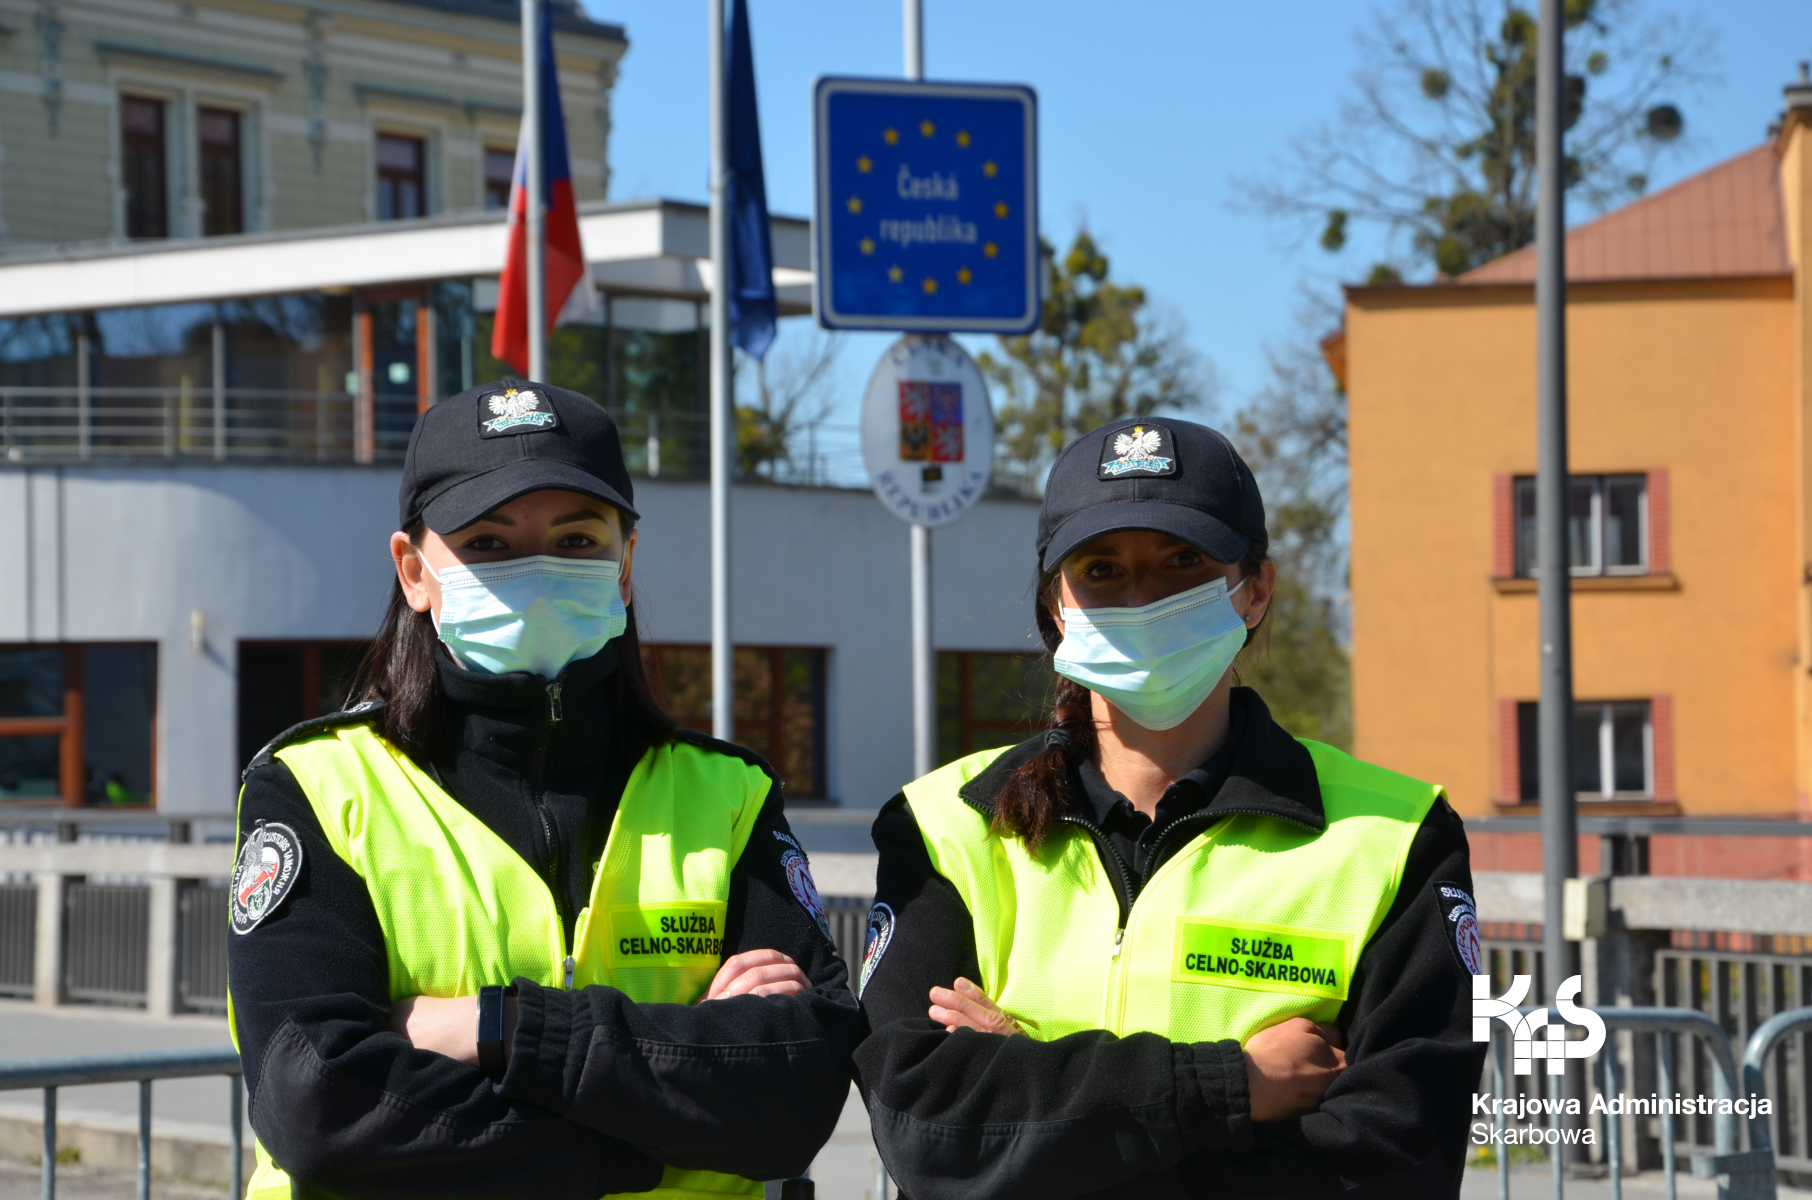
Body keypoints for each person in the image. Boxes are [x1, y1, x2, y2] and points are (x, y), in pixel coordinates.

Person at [227, 382, 861, 1200]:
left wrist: (495, 1029)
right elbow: (317, 1107)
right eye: (487, 543)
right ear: (414, 571)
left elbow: (797, 1090)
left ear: (626, 565)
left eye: (576, 539)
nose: (539, 570)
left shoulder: (728, 792)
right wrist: (648, 1132)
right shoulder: (317, 788)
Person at [855, 418, 1486, 1199]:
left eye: (1184, 562)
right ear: (1057, 603)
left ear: (1256, 589)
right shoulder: (942, 826)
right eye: (1102, 569)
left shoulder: (1396, 839)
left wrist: (1036, 1099)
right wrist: (1229, 1088)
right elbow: (925, 1135)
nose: (1143, 599)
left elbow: (1397, 1163)